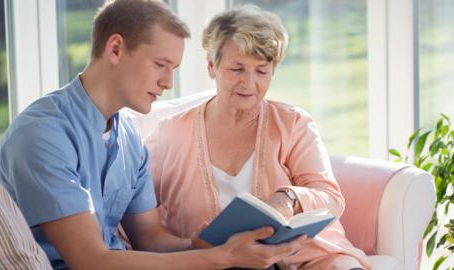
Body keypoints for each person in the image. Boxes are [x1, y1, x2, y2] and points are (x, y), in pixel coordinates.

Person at [0, 1, 307, 269]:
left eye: (174, 69)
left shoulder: (129, 136)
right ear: (115, 49)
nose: (168, 82)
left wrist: (201, 245)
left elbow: (152, 240)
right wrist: (220, 258)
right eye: (160, 64)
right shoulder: (43, 133)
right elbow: (91, 261)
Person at [146, 6, 370, 270]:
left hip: (307, 260)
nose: (249, 83)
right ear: (211, 65)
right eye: (237, 68)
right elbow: (137, 216)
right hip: (216, 263)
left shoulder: (294, 124)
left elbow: (330, 198)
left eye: (261, 71)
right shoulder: (169, 134)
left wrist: (289, 199)